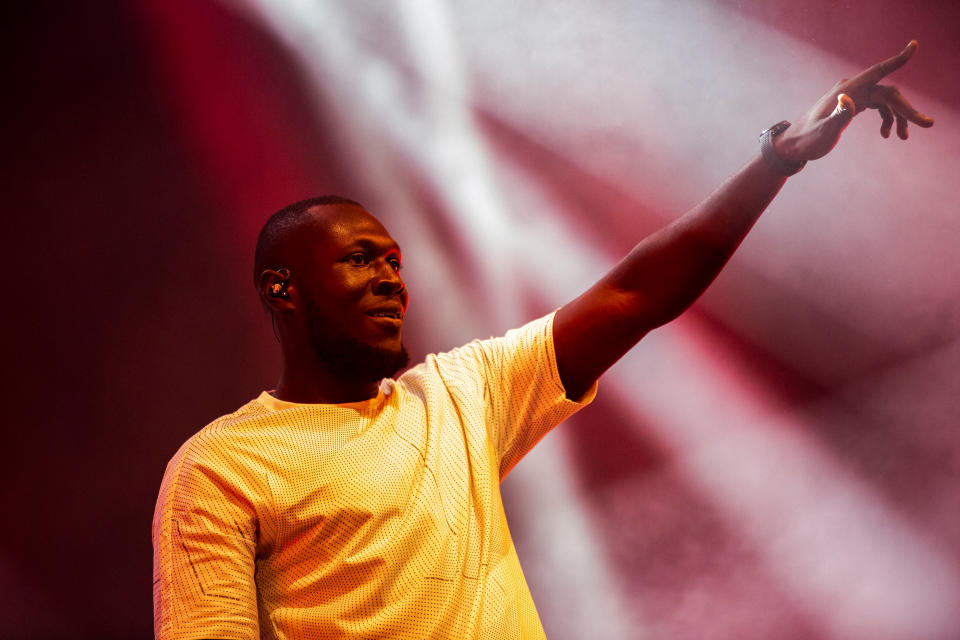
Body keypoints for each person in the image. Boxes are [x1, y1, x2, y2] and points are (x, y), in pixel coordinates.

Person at [152, 42, 933, 640]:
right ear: (282, 289)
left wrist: (776, 160)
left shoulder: (457, 394)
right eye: (361, 260)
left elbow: (634, 293)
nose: (394, 278)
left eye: (396, 261)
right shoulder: (221, 469)